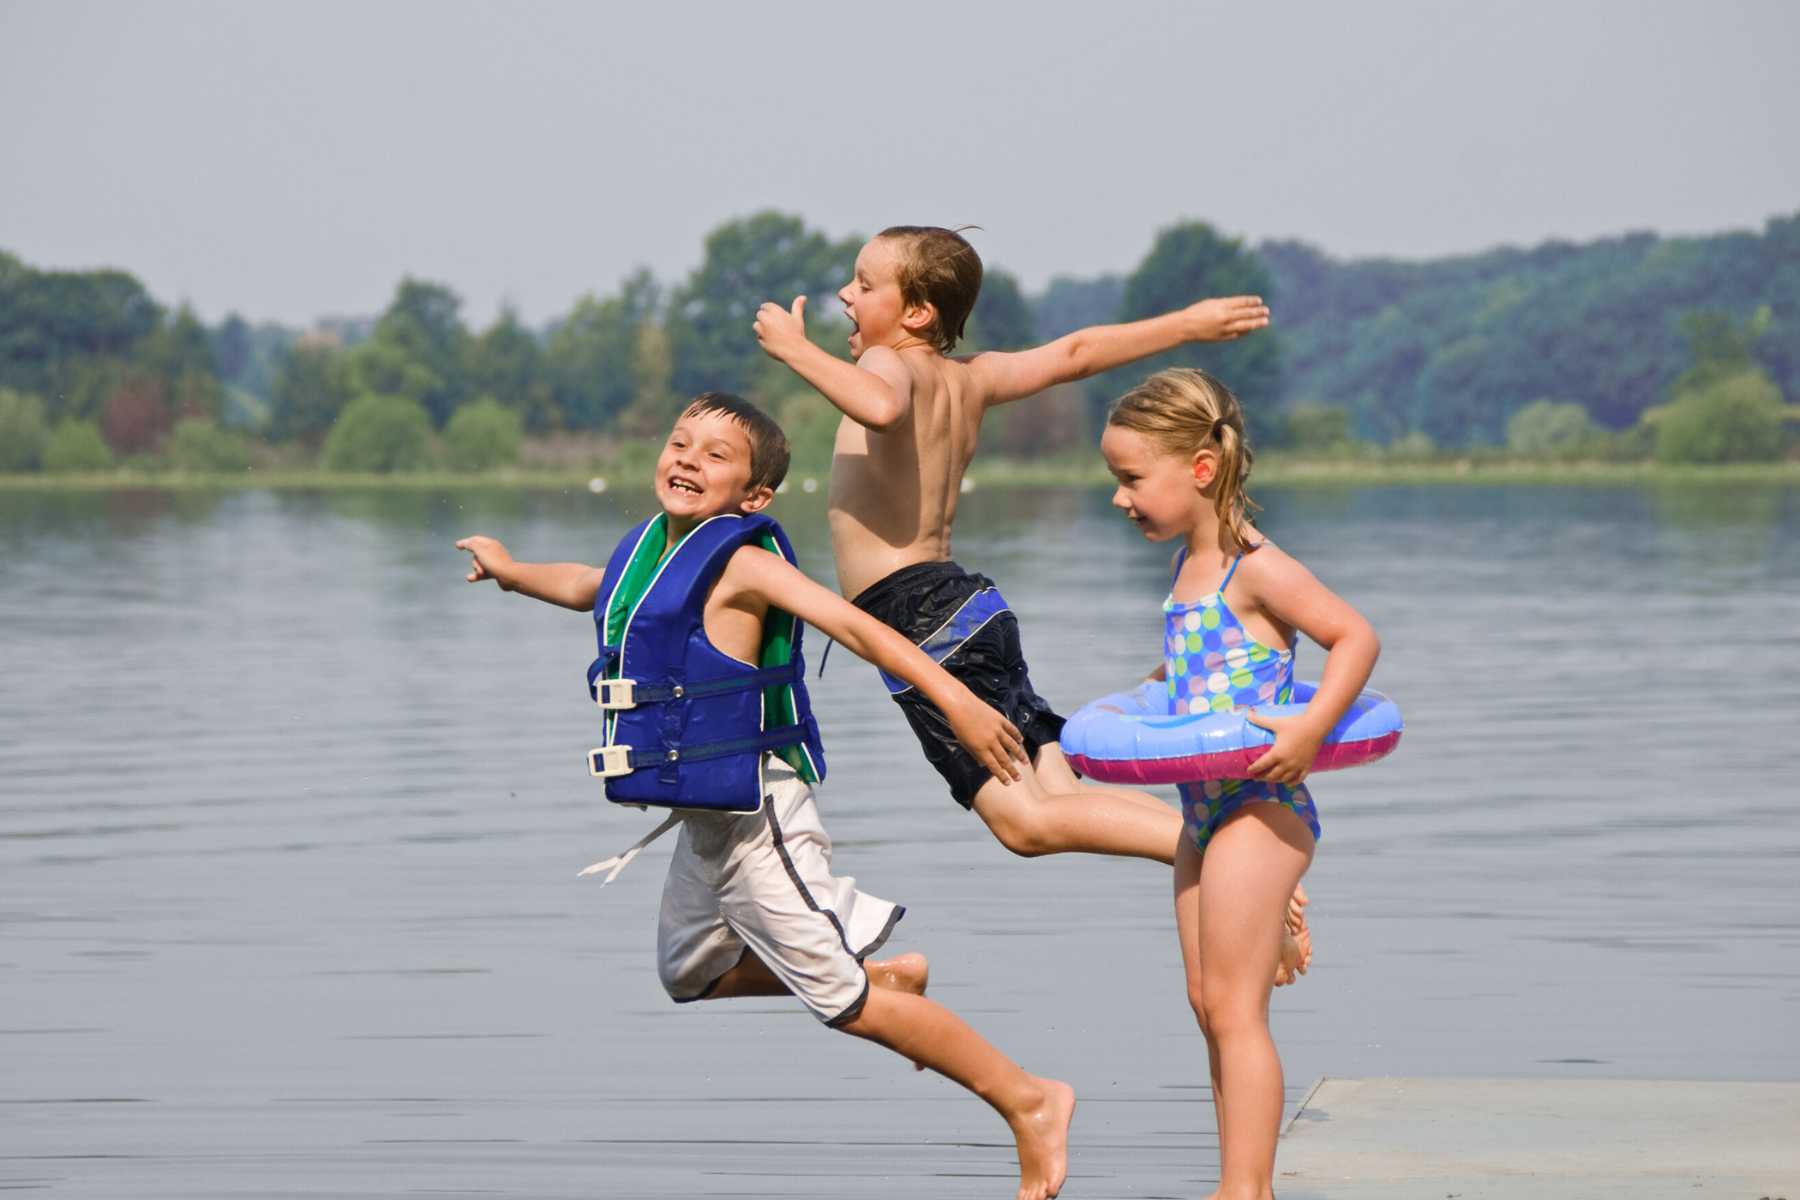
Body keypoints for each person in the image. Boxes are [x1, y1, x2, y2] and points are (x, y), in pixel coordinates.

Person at [456, 393, 1073, 1200]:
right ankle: (886, 979)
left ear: (755, 497)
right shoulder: (649, 551)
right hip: (707, 819)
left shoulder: (746, 562)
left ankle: (1030, 1101)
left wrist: (957, 699)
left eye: (716, 456)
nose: (687, 459)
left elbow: (861, 632)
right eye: (680, 442)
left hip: (761, 811)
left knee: (842, 1001)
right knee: (690, 973)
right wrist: (511, 573)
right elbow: (585, 586)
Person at [753, 226, 1311, 981]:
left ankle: (1226, 848)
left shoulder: (891, 367)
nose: (845, 298)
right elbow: (1075, 354)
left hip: (919, 616)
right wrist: (1188, 324)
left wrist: (793, 349)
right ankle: (1221, 847)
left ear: (916, 313)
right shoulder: (970, 378)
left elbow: (881, 407)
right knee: (1056, 792)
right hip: (970, 607)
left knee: (1027, 825)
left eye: (863, 285)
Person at [1100, 367, 1379, 1199]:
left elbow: (1354, 637)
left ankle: (1245, 1191)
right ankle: (1235, 1176)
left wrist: (1309, 727)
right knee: (1205, 1001)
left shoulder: (1256, 568)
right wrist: (1141, 699)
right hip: (1203, 811)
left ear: (1200, 468)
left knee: (1235, 1010)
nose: (1119, 499)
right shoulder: (1191, 569)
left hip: (1262, 802)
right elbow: (1208, 670)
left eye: (1129, 479)